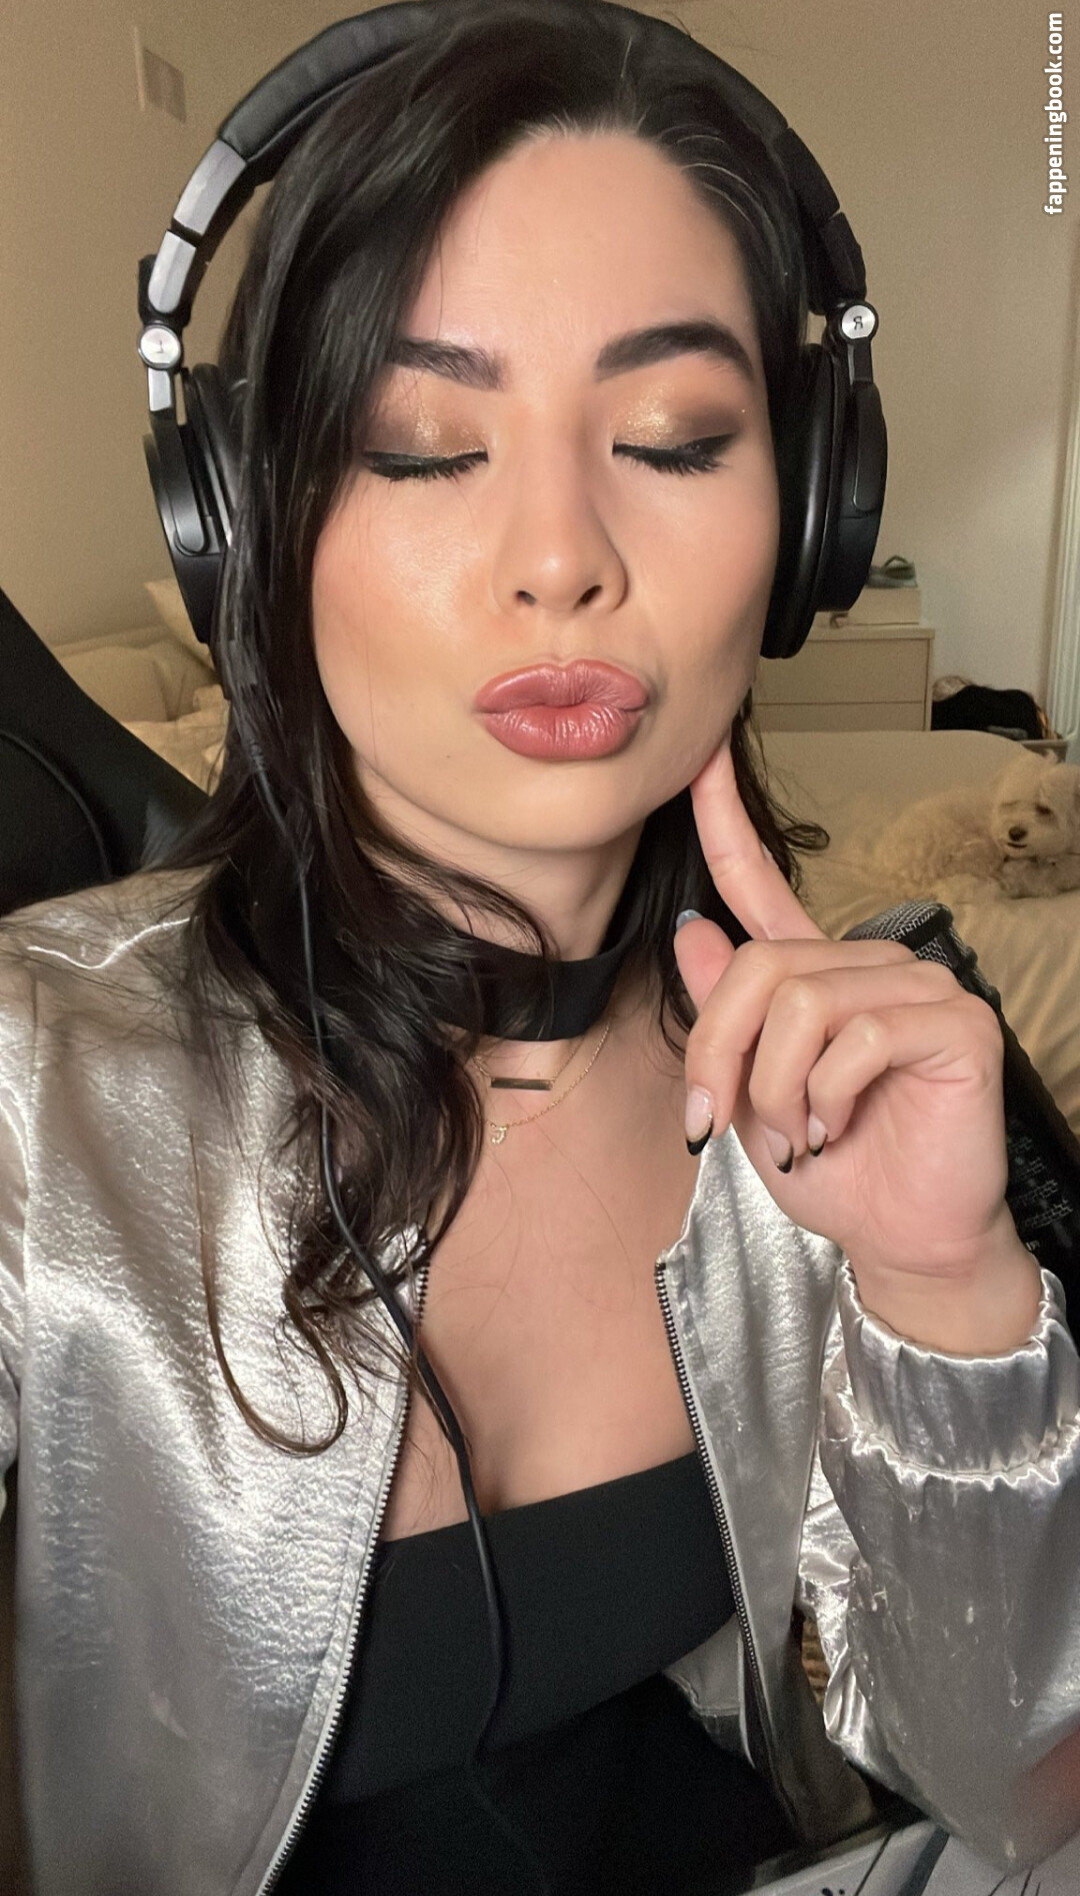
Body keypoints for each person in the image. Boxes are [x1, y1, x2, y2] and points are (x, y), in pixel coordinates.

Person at [2, 2, 1079, 1890]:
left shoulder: (867, 1072)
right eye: (423, 447)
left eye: (672, 437)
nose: (560, 554)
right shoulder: (32, 1099)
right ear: (246, 526)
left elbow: (1023, 1795)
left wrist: (944, 1290)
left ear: (812, 519)